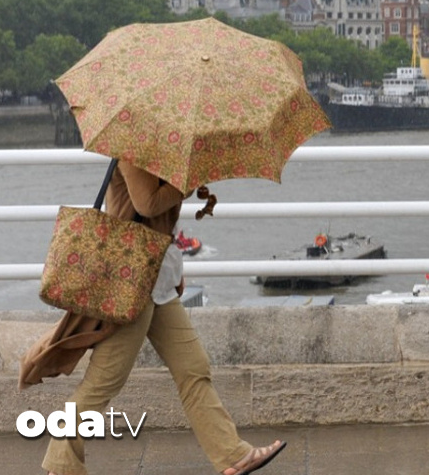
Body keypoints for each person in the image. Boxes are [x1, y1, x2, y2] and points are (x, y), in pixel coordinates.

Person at [25, 160, 286, 475]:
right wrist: (187, 182)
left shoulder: (159, 151)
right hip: (131, 285)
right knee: (104, 382)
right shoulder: (133, 148)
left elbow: (158, 221)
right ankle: (61, 465)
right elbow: (146, 203)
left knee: (193, 367)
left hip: (154, 279)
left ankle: (232, 456)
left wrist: (173, 268)